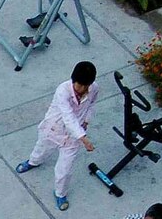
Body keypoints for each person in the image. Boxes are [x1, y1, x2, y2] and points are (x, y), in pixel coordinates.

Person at [16, 61, 100, 211]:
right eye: (79, 85)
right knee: (41, 149)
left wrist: (86, 121)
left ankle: (60, 194)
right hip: (53, 129)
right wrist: (83, 138)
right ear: (73, 80)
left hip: (73, 137)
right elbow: (68, 117)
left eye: (85, 86)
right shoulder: (63, 90)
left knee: (64, 170)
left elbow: (92, 104)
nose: (82, 89)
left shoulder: (94, 89)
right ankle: (33, 162)